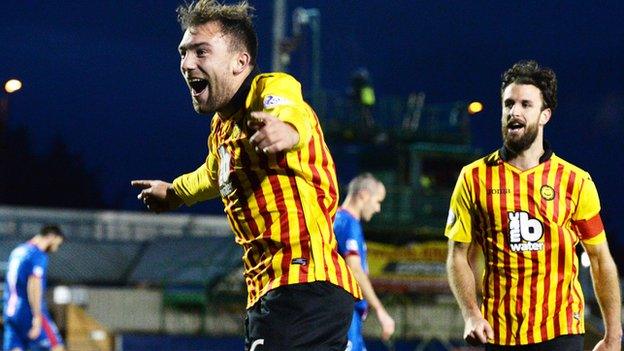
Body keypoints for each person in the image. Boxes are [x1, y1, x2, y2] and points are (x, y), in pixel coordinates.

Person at [130, 1, 361, 350]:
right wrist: (175, 192)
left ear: (241, 62)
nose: (187, 63)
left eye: (201, 51)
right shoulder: (221, 129)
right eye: (184, 53)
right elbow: (213, 174)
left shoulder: (269, 90)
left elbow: (289, 109)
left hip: (301, 284)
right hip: (277, 293)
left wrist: (286, 130)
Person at [445, 60, 622, 351]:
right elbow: (457, 256)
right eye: (508, 104)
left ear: (545, 115)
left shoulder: (575, 182)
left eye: (526, 104)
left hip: (560, 329)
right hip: (499, 332)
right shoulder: (473, 178)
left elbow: (600, 259)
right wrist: (471, 314)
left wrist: (613, 336)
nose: (514, 111)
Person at [333, 173, 395, 351]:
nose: (378, 209)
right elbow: (355, 269)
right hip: (346, 315)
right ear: (364, 195)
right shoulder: (347, 222)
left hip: (347, 316)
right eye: (378, 201)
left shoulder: (341, 220)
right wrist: (380, 310)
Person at [3, 225, 65, 351]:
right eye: (56, 244)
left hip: (10, 310)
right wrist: (37, 316)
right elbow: (34, 284)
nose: (55, 249)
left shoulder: (17, 251)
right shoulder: (37, 254)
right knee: (56, 347)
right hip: (28, 310)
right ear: (51, 237)